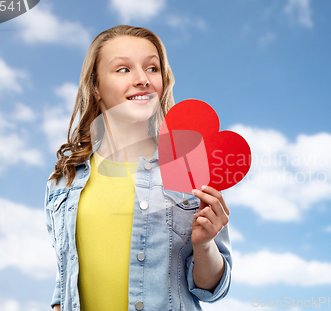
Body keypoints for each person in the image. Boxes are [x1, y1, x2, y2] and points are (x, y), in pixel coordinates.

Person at [44, 25, 232, 311]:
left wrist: (205, 245)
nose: (142, 79)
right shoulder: (63, 181)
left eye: (152, 68)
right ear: (95, 86)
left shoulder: (190, 168)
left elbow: (213, 289)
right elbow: (65, 279)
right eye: (123, 69)